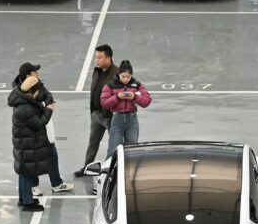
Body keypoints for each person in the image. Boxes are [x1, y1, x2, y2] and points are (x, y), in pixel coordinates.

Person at [11, 62, 73, 195]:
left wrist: (42, 104)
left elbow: (49, 96)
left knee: (52, 153)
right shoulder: (21, 90)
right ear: (28, 76)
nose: (38, 74)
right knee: (31, 158)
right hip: (33, 130)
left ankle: (56, 183)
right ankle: (34, 186)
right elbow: (36, 107)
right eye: (35, 72)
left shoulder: (38, 84)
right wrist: (44, 106)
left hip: (43, 126)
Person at [8, 76, 55, 212]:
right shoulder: (24, 108)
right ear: (32, 91)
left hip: (24, 144)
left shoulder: (23, 101)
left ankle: (23, 198)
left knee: (24, 172)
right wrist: (49, 110)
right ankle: (27, 202)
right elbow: (38, 123)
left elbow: (35, 109)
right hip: (27, 145)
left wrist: (43, 106)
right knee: (27, 172)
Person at [73, 45, 119, 177]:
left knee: (113, 145)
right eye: (95, 57)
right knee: (93, 142)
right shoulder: (97, 71)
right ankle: (87, 168)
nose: (96, 60)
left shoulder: (116, 74)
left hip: (109, 116)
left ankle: (110, 170)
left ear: (108, 58)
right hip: (96, 114)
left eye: (99, 57)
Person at [100, 61, 153, 157]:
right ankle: (110, 170)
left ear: (131, 75)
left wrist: (134, 97)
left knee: (132, 150)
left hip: (132, 120)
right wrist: (117, 97)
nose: (125, 79)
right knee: (113, 151)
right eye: (123, 76)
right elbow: (104, 103)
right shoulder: (110, 86)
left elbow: (147, 101)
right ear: (119, 75)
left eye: (128, 77)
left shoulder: (137, 85)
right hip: (117, 120)